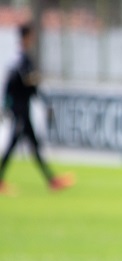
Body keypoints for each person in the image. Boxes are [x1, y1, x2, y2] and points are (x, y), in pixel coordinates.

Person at [0, 22, 73, 195]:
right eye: (31, 35)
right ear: (26, 37)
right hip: (19, 110)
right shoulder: (19, 59)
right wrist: (7, 106)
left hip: (24, 108)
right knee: (15, 145)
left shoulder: (23, 58)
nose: (33, 39)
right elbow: (18, 83)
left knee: (32, 145)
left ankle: (51, 180)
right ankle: (50, 180)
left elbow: (31, 84)